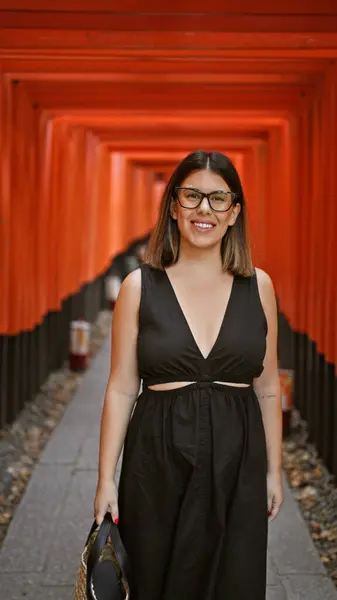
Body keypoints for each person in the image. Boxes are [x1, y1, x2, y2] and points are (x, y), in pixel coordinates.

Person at [94, 150, 283, 600]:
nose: (204, 209)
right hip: (155, 459)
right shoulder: (139, 287)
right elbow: (121, 387)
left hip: (238, 458)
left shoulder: (259, 286)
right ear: (174, 207)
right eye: (192, 195)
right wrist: (104, 478)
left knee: (232, 581)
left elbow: (270, 387)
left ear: (235, 212)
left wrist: (274, 471)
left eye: (218, 199)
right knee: (154, 578)